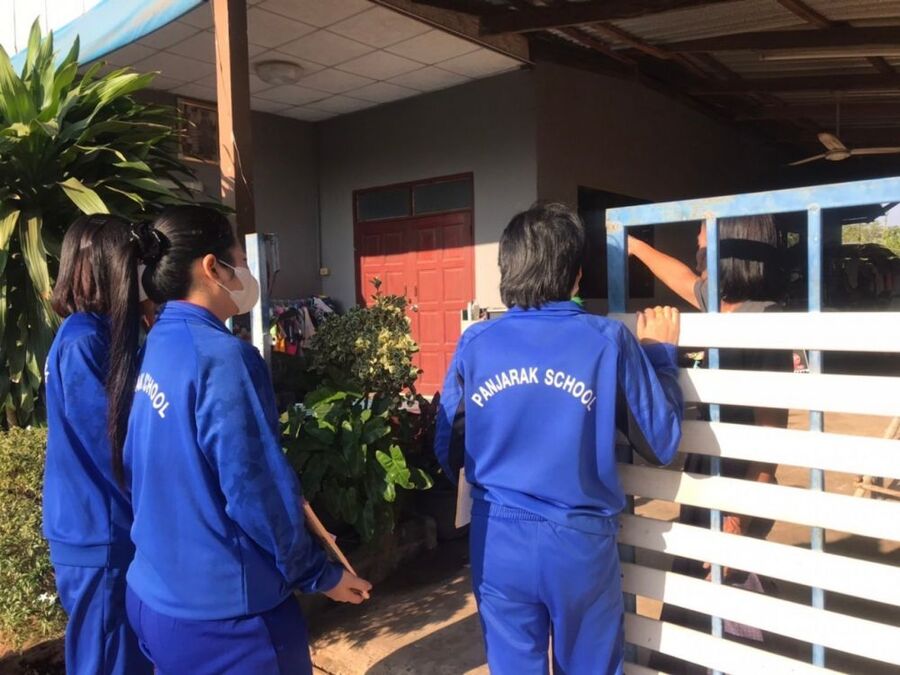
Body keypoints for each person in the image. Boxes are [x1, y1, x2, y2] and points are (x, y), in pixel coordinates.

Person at [109, 206, 372, 674]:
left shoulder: (156, 345)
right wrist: (319, 573)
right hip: (228, 622)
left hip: (155, 598)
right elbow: (256, 489)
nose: (248, 275)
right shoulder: (223, 358)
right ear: (212, 268)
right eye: (241, 261)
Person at [435, 203, 684, 675]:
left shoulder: (476, 342)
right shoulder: (607, 340)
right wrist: (662, 357)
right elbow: (660, 441)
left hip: (497, 541)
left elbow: (448, 450)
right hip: (579, 546)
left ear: (508, 269)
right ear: (576, 275)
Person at [629, 216, 793, 672]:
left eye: (704, 231)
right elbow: (680, 276)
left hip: (739, 487)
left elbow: (769, 440)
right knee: (692, 601)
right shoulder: (718, 304)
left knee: (731, 607)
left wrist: (739, 518)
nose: (697, 238)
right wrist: (634, 247)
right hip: (703, 481)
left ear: (733, 242)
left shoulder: (763, 320)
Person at [44, 214, 155, 675]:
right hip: (101, 534)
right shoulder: (85, 341)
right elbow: (114, 447)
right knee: (109, 662)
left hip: (99, 531)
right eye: (137, 265)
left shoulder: (96, 334)